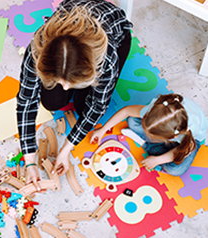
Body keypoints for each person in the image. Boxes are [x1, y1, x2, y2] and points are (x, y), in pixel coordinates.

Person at [16, 0, 133, 189]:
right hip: (76, 34)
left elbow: (97, 107)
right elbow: (26, 101)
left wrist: (66, 149)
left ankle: (80, 87)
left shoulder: (107, 60)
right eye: (61, 81)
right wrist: (29, 159)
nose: (64, 88)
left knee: (83, 108)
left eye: (71, 83)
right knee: (52, 102)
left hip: (115, 34)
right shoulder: (37, 49)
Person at [90, 93, 207, 176]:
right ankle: (155, 148)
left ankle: (147, 146)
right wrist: (103, 129)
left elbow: (182, 151)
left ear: (172, 137)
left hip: (189, 140)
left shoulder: (189, 133)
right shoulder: (156, 110)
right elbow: (126, 111)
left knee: (176, 170)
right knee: (132, 121)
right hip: (169, 126)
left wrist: (157, 160)